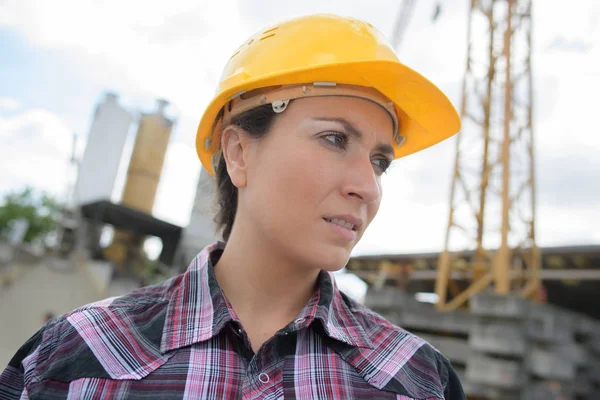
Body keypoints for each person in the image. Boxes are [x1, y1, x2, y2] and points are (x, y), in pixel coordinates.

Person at [0, 14, 466, 399]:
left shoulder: (418, 381)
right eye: (334, 138)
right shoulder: (70, 359)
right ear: (239, 154)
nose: (368, 185)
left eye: (380, 162)